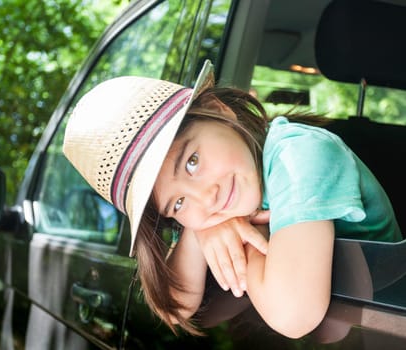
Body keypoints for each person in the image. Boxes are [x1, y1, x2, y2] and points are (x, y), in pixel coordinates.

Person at [63, 60, 401, 339]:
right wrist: (203, 232)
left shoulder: (300, 154)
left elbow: (298, 316)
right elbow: (178, 307)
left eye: (192, 161)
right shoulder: (218, 204)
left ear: (219, 110)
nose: (205, 198)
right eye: (177, 204)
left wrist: (250, 239)